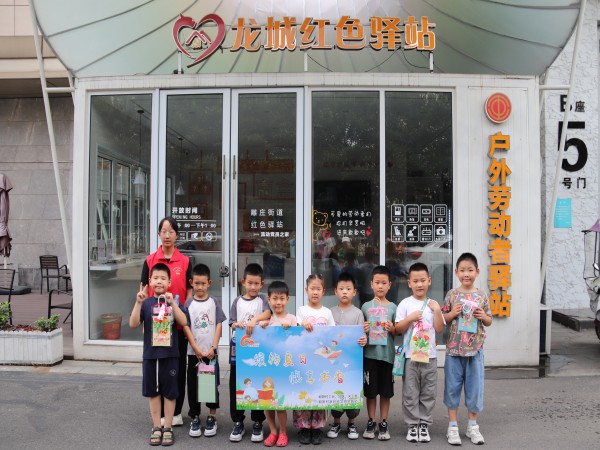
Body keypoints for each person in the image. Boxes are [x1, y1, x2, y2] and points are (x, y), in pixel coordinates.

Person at [140, 217, 192, 426]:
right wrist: (144, 322)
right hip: (156, 326)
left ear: (177, 235)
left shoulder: (185, 261)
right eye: (164, 231)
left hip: (177, 325)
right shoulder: (150, 260)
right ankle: (160, 414)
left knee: (177, 368)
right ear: (159, 234)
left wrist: (185, 317)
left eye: (171, 231)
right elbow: (144, 290)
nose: (167, 235)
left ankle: (176, 412)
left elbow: (189, 292)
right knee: (157, 369)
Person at [129, 263, 188, 446]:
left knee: (170, 393)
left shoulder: (173, 301)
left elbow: (184, 321)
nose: (159, 281)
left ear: (170, 282)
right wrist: (138, 302)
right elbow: (133, 323)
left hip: (170, 355)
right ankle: (156, 427)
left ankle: (168, 427)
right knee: (153, 393)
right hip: (151, 356)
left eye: (163, 278)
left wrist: (173, 304)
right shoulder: (146, 303)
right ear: (150, 281)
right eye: (155, 278)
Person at [441, 253, 492, 446]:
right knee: (452, 387)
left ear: (477, 272)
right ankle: (452, 426)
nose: (466, 274)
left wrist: (482, 316)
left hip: (475, 350)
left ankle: (472, 426)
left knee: (474, 388)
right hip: (454, 350)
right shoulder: (452, 295)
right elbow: (443, 319)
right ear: (456, 272)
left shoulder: (482, 296)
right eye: (462, 270)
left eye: (470, 270)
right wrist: (451, 314)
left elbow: (489, 320)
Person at [394, 262, 444, 443]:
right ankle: (412, 425)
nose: (419, 284)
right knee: (410, 392)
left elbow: (439, 329)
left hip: (430, 357)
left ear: (429, 281)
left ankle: (424, 424)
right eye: (415, 281)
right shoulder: (405, 304)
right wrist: (410, 318)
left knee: (428, 392)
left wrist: (437, 310)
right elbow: (397, 329)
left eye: (423, 280)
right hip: (411, 357)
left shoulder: (433, 304)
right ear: (409, 283)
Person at [229, 263, 271, 442]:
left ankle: (257, 421)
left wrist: (254, 320)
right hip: (238, 350)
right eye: (250, 283)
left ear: (262, 284)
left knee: (257, 384)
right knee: (236, 385)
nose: (253, 287)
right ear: (243, 282)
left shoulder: (263, 300)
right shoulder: (237, 301)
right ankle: (238, 421)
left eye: (256, 283)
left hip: (257, 352)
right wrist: (236, 324)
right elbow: (231, 322)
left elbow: (268, 313)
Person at [183, 264, 226, 438]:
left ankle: (211, 417)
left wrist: (213, 347)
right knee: (193, 386)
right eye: (196, 283)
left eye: (203, 283)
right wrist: (195, 347)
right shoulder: (189, 303)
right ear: (191, 283)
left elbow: (219, 324)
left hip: (210, 354)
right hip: (194, 354)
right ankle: (194, 417)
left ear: (209, 283)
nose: (200, 287)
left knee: (209, 386)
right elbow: (186, 326)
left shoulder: (213, 302)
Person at [295, 274, 336, 445]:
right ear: (306, 290)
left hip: (321, 360)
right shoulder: (301, 311)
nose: (315, 292)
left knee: (319, 391)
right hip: (304, 359)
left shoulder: (327, 312)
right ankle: (304, 427)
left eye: (318, 289)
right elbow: (296, 330)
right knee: (304, 391)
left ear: (323, 291)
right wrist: (302, 324)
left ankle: (317, 428)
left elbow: (332, 333)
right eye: (312, 288)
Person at [327, 272, 367, 440]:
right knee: (335, 389)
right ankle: (336, 422)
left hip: (352, 362)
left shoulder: (358, 313)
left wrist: (364, 339)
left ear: (354, 292)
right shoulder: (329, 312)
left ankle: (351, 422)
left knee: (352, 389)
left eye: (348, 289)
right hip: (335, 362)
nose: (345, 292)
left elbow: (362, 335)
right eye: (341, 288)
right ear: (335, 291)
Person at [360, 265, 397, 441]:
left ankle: (383, 422)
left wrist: (392, 328)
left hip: (387, 356)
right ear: (371, 284)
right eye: (377, 282)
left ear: (389, 285)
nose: (380, 286)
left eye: (384, 283)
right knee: (370, 391)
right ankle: (371, 421)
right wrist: (364, 328)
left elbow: (398, 331)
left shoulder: (393, 307)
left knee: (386, 391)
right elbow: (360, 332)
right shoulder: (366, 307)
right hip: (370, 355)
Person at [259, 280, 296, 448]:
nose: (278, 302)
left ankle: (283, 432)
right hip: (268, 368)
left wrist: (291, 328)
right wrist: (261, 327)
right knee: (268, 403)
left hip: (284, 369)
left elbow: (298, 339)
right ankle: (272, 431)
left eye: (282, 298)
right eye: (275, 299)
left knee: (280, 403)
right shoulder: (267, 320)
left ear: (287, 300)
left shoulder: (292, 319)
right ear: (269, 300)